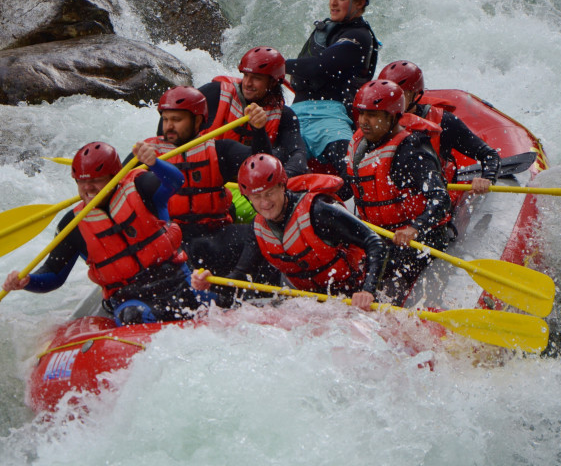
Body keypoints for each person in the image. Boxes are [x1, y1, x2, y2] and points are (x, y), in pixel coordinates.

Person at [2, 141, 210, 326]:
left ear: (115, 176)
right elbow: (54, 274)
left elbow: (175, 182)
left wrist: (155, 163)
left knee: (212, 303)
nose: (88, 188)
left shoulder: (140, 187)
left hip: (177, 280)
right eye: (81, 182)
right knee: (133, 316)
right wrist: (27, 281)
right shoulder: (73, 224)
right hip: (131, 298)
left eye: (97, 180)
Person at [192, 154, 387, 310]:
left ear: (282, 186)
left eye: (269, 193)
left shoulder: (318, 210)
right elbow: (242, 276)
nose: (265, 203)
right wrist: (210, 282)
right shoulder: (259, 228)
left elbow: (374, 242)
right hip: (312, 303)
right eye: (257, 197)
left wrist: (368, 291)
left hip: (355, 295)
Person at [142, 86, 274, 277]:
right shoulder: (147, 154)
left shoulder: (219, 150)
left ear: (197, 120)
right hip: (172, 240)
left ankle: (237, 281)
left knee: (261, 233)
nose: (169, 126)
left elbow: (262, 167)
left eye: (177, 120)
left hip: (216, 236)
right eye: (166, 119)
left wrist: (258, 130)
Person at [346, 80, 451, 305]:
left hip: (421, 241)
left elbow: (441, 198)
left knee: (388, 293)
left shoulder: (412, 152)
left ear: (393, 116)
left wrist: (415, 228)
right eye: (361, 113)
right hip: (380, 239)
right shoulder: (360, 146)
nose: (364, 121)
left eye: (372, 115)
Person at [284, 0, 380, 183]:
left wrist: (279, 65)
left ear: (360, 3)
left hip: (332, 116)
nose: (333, 3)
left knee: (350, 172)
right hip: (296, 113)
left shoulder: (359, 36)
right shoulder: (329, 29)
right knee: (279, 166)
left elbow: (320, 66)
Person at [377, 60, 501, 195]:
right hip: (390, 203)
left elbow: (489, 155)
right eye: (387, 95)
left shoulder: (444, 122)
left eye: (399, 94)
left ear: (415, 94)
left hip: (435, 203)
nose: (391, 102)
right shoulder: (373, 124)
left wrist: (487, 179)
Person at [196, 46, 308, 178]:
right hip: (206, 173)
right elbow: (177, 119)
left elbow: (298, 155)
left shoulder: (284, 115)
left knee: (280, 155)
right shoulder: (215, 92)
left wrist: (281, 179)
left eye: (256, 78)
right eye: (246, 75)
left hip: (251, 184)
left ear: (272, 82)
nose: (247, 83)